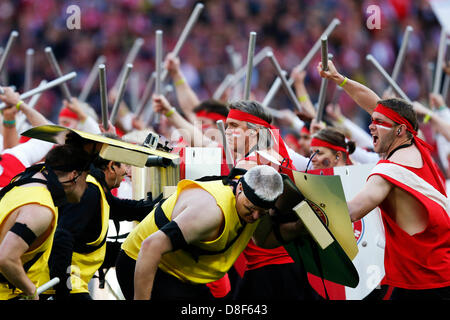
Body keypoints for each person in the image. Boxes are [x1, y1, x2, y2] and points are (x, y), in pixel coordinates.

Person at [318, 59, 450, 300]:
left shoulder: (386, 174)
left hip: (418, 286)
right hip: (441, 274)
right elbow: (377, 104)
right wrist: (340, 80)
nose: (371, 127)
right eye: (372, 120)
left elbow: (352, 211)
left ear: (399, 130)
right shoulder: (418, 146)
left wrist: (305, 206)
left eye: (379, 123)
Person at [115, 165, 285, 300]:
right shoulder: (210, 213)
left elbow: (264, 241)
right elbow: (151, 246)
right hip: (141, 263)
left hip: (182, 275)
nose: (255, 217)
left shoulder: (256, 206)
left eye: (261, 213)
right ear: (239, 187)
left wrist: (298, 227)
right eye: (250, 209)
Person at [46, 134, 159, 300]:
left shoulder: (95, 188)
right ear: (112, 166)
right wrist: (62, 289)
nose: (126, 172)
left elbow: (120, 208)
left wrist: (157, 208)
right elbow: (63, 236)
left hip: (66, 283)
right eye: (125, 166)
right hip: (59, 285)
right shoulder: (89, 191)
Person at [0, 143, 92, 300]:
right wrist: (31, 292)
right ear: (73, 175)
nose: (86, 187)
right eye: (86, 179)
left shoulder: (27, 179)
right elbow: (5, 258)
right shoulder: (40, 209)